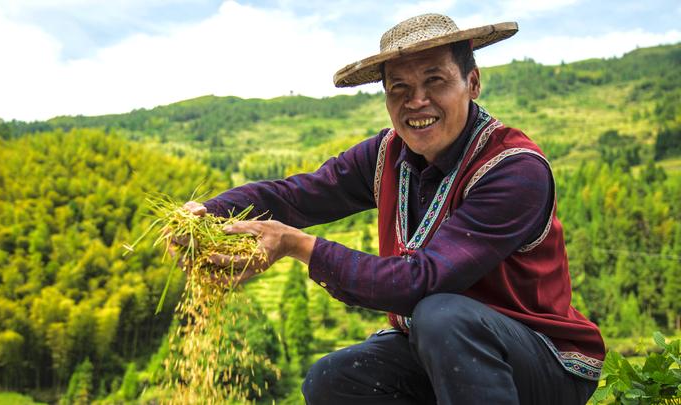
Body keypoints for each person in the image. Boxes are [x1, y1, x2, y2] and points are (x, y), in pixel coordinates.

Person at [182, 13, 605, 405]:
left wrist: (296, 245)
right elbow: (297, 195)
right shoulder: (388, 154)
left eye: (435, 81)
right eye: (399, 88)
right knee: (331, 380)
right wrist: (208, 213)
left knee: (441, 313)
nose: (416, 101)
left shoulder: (514, 170)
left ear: (472, 83)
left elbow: (423, 281)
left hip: (543, 363)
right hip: (438, 348)